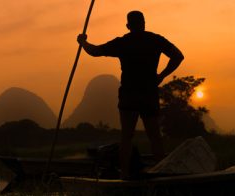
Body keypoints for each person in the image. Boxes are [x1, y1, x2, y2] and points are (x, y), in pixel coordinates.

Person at [77, 10, 184, 179]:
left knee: (126, 136)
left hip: (129, 95)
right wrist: (161, 75)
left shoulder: (123, 42)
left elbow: (95, 51)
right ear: (143, 23)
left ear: (128, 26)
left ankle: (125, 175)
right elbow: (178, 56)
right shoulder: (155, 40)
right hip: (149, 93)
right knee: (154, 136)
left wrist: (83, 42)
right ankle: (163, 175)